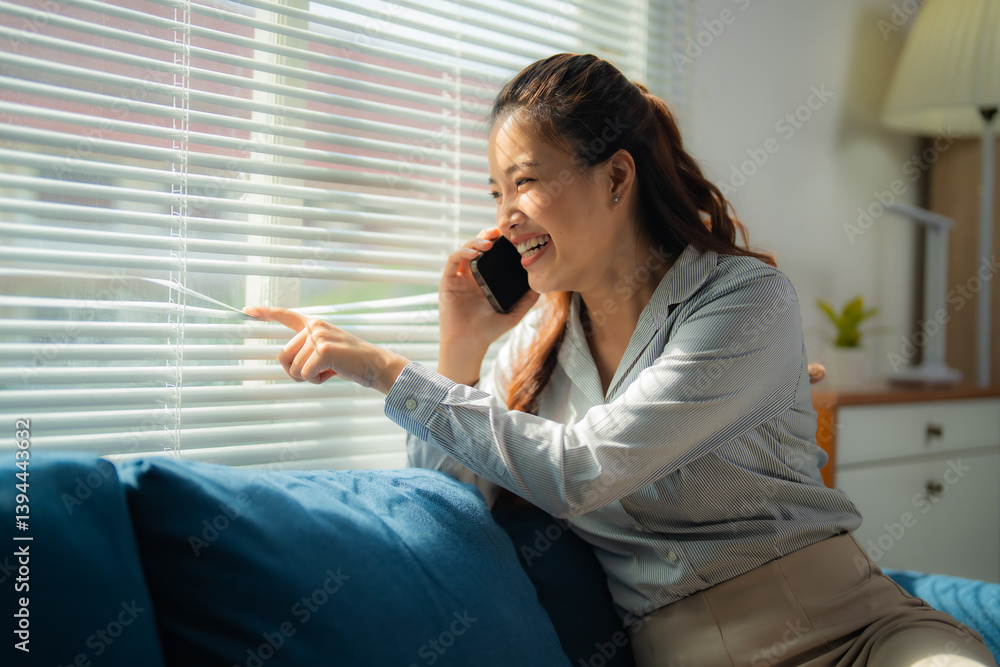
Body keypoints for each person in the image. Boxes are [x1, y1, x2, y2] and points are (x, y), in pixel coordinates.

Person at [245, 54, 997, 667]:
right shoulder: (527, 356)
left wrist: (385, 369)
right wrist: (461, 344)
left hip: (859, 633)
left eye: (527, 181)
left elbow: (584, 467)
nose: (504, 215)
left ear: (616, 177)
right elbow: (449, 508)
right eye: (496, 190)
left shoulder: (745, 299)